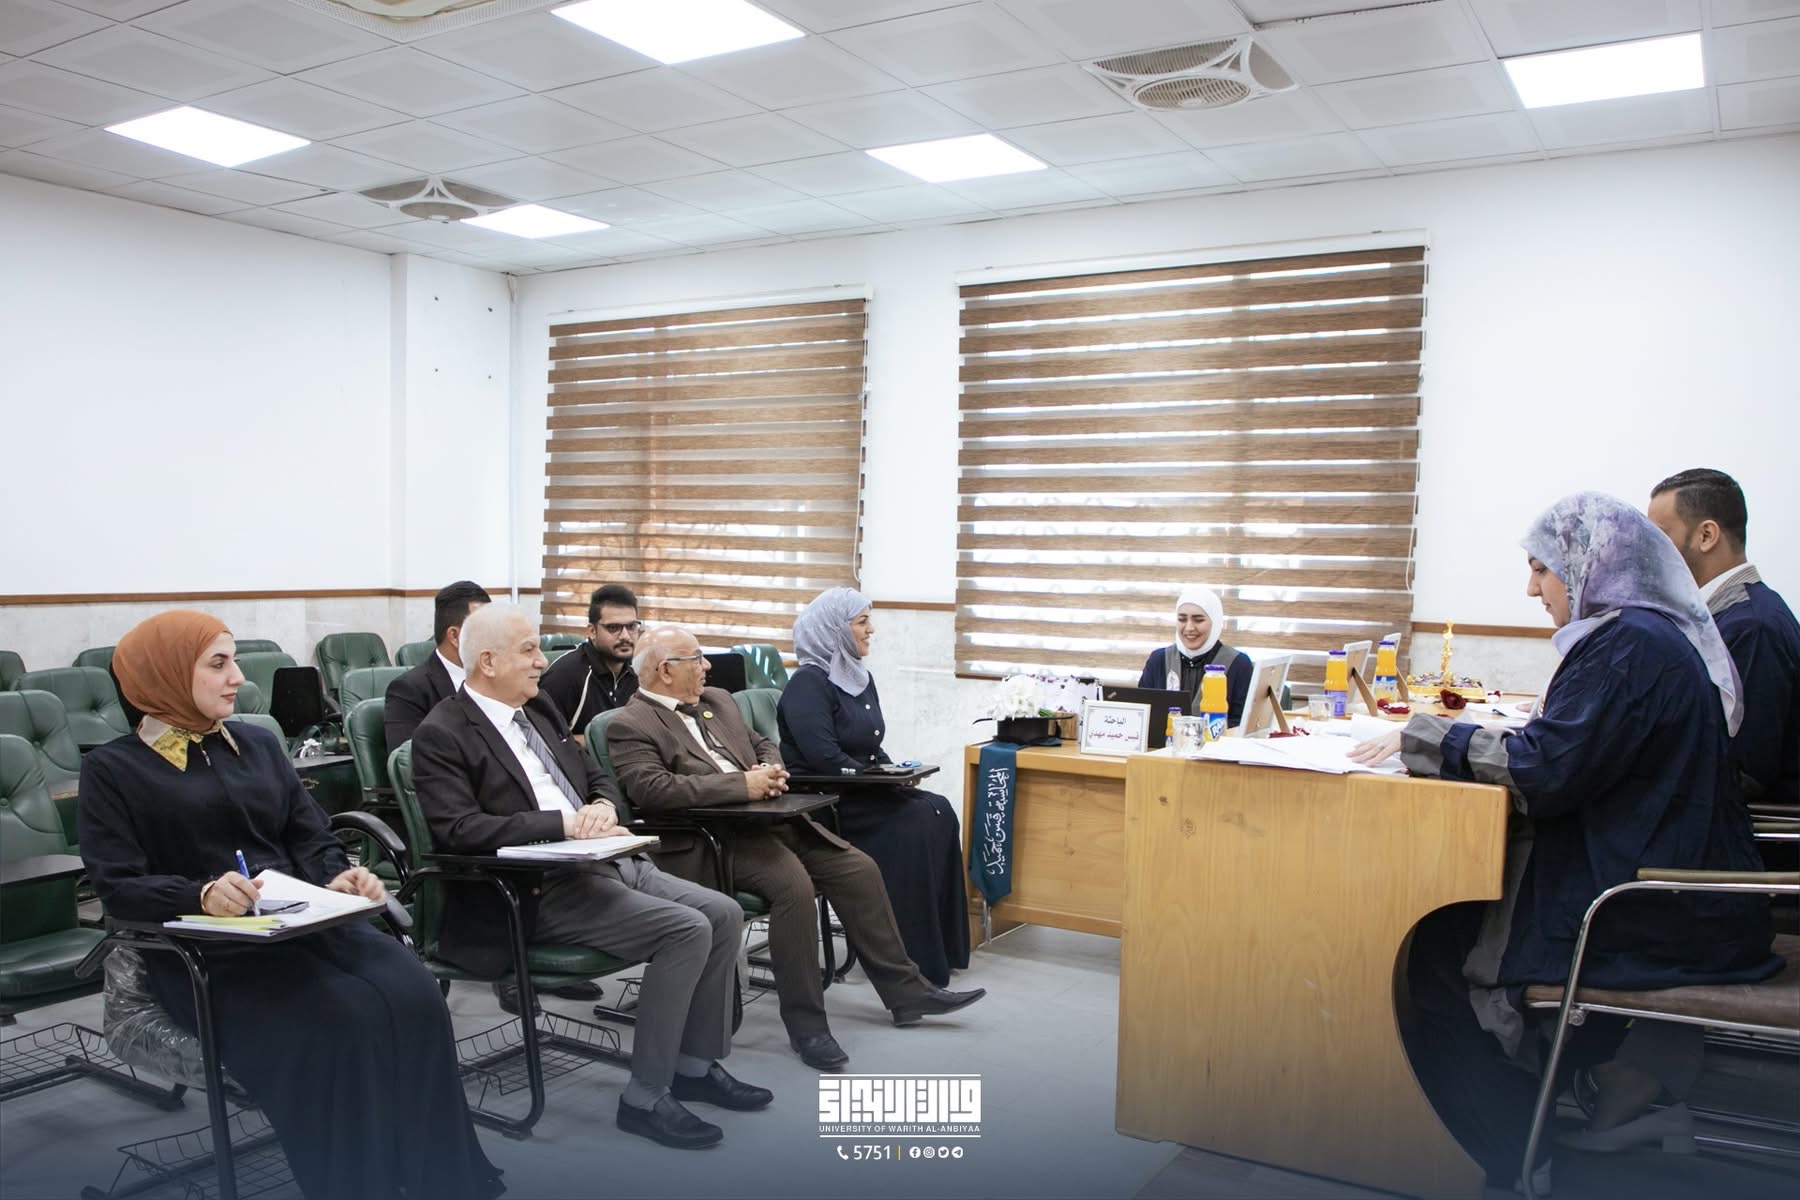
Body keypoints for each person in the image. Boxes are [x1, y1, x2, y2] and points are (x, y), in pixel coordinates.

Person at [1348, 492, 1780, 1188]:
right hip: (1671, 890)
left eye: (1541, 569)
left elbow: (1545, 770)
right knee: (1451, 930)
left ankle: (1509, 1154)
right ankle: (1523, 1125)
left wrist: (1422, 737)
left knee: (1434, 955)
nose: (1531, 589)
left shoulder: (1627, 645)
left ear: (1590, 565)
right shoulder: (1645, 634)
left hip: (1641, 908)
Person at [78, 611, 502, 1200]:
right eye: (218, 665)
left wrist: (338, 876)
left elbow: (309, 836)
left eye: (233, 662)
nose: (237, 678)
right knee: (341, 1021)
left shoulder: (256, 743)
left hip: (302, 926)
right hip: (209, 952)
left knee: (416, 992)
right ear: (167, 675)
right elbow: (117, 884)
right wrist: (200, 893)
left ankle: (441, 1179)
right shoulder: (113, 770)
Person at [410, 604, 770, 1151]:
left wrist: (601, 804)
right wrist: (562, 824)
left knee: (722, 912)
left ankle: (693, 1067)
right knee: (685, 929)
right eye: (529, 650)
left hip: (604, 858)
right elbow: (459, 830)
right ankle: (645, 1097)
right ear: (487, 661)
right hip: (535, 887)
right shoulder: (442, 733)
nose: (542, 661)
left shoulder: (538, 707)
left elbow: (594, 776)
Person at [607, 626, 986, 1072]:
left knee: (857, 866)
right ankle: (807, 1027)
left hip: (771, 820)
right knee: (794, 888)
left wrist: (769, 768)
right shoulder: (630, 724)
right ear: (666, 670)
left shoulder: (718, 701)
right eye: (697, 659)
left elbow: (763, 743)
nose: (707, 666)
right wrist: (742, 785)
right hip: (712, 838)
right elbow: (653, 791)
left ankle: (907, 993)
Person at [777, 587, 970, 986]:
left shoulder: (857, 678)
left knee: (938, 809)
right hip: (828, 802)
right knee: (915, 821)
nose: (872, 630)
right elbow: (825, 759)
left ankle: (943, 948)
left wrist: (893, 771)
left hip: (862, 791)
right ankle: (911, 959)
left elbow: (871, 746)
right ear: (834, 630)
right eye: (862, 622)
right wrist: (880, 780)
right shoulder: (808, 684)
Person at [1649, 468, 1799, 808]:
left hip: (1750, 826)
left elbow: (1744, 770)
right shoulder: (1725, 617)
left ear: (1706, 535)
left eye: (1660, 537)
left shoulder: (1752, 627)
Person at [385, 580, 489, 749]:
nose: (494, 639)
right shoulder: (409, 690)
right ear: (455, 636)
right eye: (486, 630)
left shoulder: (499, 678)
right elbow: (408, 758)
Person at [539, 582, 642, 744]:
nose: (625, 636)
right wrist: (604, 742)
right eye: (613, 627)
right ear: (592, 631)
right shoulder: (564, 676)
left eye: (631, 626)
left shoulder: (641, 668)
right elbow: (544, 739)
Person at [1137, 586, 1253, 726]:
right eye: (1182, 619)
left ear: (1215, 621)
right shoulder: (1159, 660)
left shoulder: (1238, 664)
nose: (1189, 628)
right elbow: (1140, 716)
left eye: (1198, 620)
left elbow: (1242, 724)